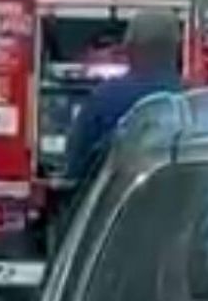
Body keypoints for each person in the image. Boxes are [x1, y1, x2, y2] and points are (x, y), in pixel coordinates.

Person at [64, 11, 182, 184]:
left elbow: (76, 169)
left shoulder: (104, 99)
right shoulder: (193, 100)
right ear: (177, 49)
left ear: (129, 48)